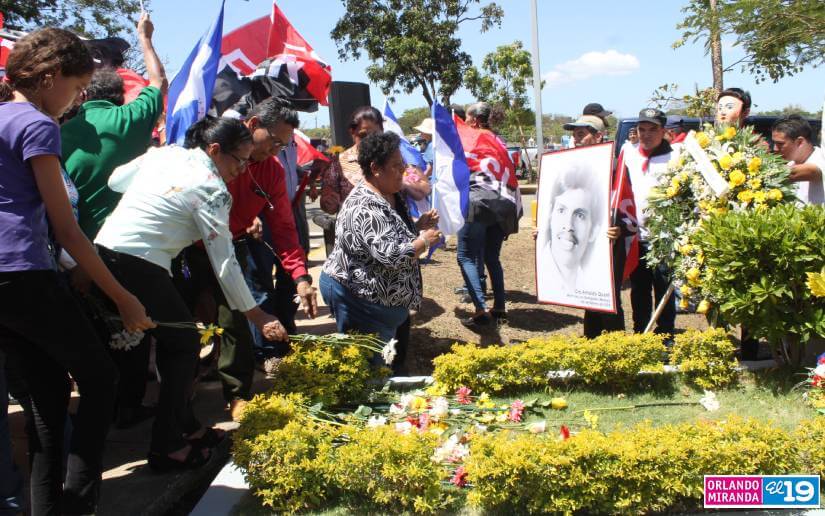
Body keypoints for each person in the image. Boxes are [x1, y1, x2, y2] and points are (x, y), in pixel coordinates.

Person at [0, 28, 154, 514]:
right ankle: (81, 502)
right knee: (100, 378)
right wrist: (124, 298)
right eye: (75, 86)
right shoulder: (36, 124)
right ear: (49, 78)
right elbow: (67, 231)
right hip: (26, 273)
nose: (77, 98)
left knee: (46, 410)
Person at [95, 116, 286, 471]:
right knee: (183, 347)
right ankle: (167, 447)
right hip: (139, 264)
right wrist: (256, 315)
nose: (242, 170)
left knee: (175, 345)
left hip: (104, 253)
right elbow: (224, 263)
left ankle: (187, 427)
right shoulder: (211, 187)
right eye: (239, 160)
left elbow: (115, 180)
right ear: (214, 150)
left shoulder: (166, 155)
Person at [174, 99, 316, 421]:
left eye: (285, 145)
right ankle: (178, 399)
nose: (278, 151)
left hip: (232, 248)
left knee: (235, 320)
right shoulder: (212, 159)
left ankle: (237, 394)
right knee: (180, 324)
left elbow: (282, 227)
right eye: (275, 142)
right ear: (253, 126)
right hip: (186, 249)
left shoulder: (272, 172)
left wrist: (301, 276)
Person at [320, 132, 441, 345]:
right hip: (359, 300)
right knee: (367, 365)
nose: (403, 170)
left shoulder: (386, 194)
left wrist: (417, 225)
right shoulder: (366, 205)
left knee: (378, 363)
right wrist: (425, 241)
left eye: (402, 163)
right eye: (396, 166)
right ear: (375, 168)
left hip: (379, 304)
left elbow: (388, 233)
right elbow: (392, 255)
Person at [61, 12, 166, 239]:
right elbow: (158, 81)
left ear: (84, 94)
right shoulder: (134, 117)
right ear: (121, 95)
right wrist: (145, 38)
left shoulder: (56, 132)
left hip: (75, 247)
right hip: (130, 243)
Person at [556, 114, 625, 336]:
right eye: (574, 134)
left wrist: (619, 228)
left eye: (581, 134)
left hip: (609, 239)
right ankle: (591, 342)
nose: (575, 138)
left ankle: (618, 349)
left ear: (598, 136)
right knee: (588, 293)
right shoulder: (569, 165)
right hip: (583, 239)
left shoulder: (614, 165)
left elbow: (624, 202)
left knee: (608, 296)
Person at [457, 101, 520, 327]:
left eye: (466, 118)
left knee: (465, 255)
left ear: (473, 120)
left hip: (478, 201)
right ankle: (500, 307)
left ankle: (481, 309)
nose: (464, 123)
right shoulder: (498, 141)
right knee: (491, 257)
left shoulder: (470, 138)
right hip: (504, 203)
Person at [623, 108, 677, 335]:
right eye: (641, 129)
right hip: (636, 236)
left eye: (652, 129)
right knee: (639, 289)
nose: (646, 134)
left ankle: (665, 334)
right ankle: (640, 332)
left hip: (664, 239)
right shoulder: (628, 154)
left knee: (664, 288)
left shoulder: (677, 157)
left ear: (663, 131)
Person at [771, 115, 825, 206]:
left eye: (780, 144)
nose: (775, 149)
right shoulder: (790, 164)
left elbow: (803, 172)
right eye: (774, 143)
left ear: (800, 142)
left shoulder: (821, 159)